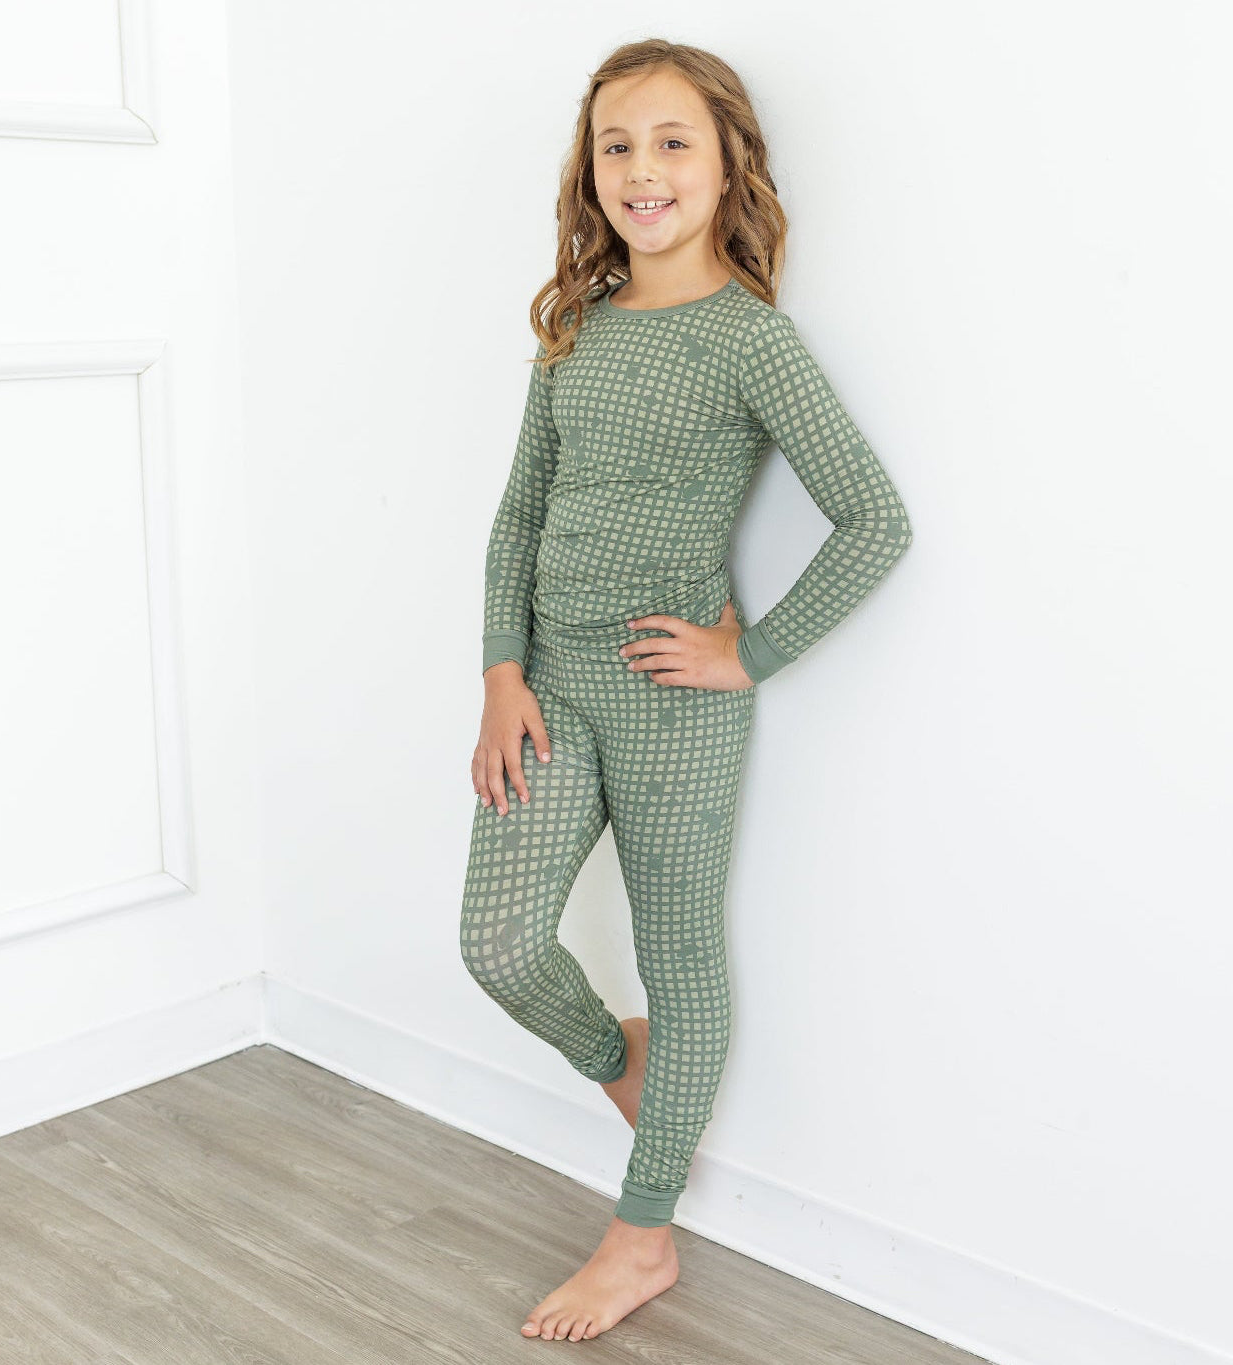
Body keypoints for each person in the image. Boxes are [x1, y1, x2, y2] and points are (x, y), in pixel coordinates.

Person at [459, 38, 913, 1343]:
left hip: (672, 704)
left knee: (679, 951)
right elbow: (513, 523)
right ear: (587, 171)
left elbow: (873, 521)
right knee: (497, 941)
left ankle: (641, 1235)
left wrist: (746, 652)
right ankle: (626, 1060)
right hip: (548, 689)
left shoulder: (749, 343)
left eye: (671, 142)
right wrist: (500, 672)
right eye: (616, 144)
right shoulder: (572, 330)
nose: (641, 169)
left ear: (725, 168)